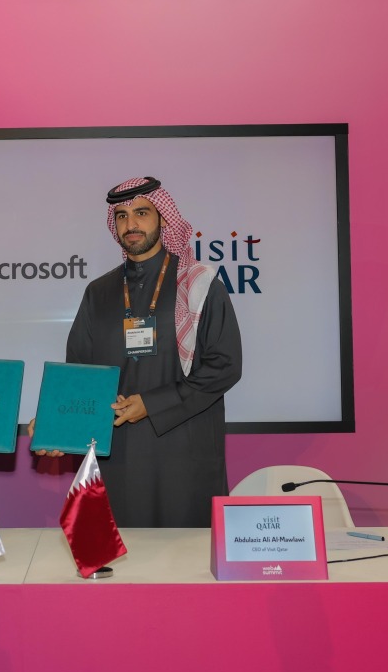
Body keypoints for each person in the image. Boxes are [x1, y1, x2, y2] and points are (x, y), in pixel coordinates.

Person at [38, 176, 243, 527]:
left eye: (142, 213)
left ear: (163, 218)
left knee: (185, 565)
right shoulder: (98, 292)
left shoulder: (197, 283)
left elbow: (225, 366)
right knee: (122, 563)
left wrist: (152, 403)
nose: (131, 224)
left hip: (183, 451)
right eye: (121, 216)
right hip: (119, 454)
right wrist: (60, 428)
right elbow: (79, 373)